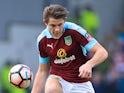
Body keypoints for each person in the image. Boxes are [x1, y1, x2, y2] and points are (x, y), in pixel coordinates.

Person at [31, 4, 108, 93]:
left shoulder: (75, 31)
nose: (57, 29)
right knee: (52, 88)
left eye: (60, 25)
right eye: (53, 25)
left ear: (65, 20)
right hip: (58, 79)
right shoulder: (42, 40)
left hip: (80, 83)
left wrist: (89, 64)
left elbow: (102, 52)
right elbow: (43, 71)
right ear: (45, 22)